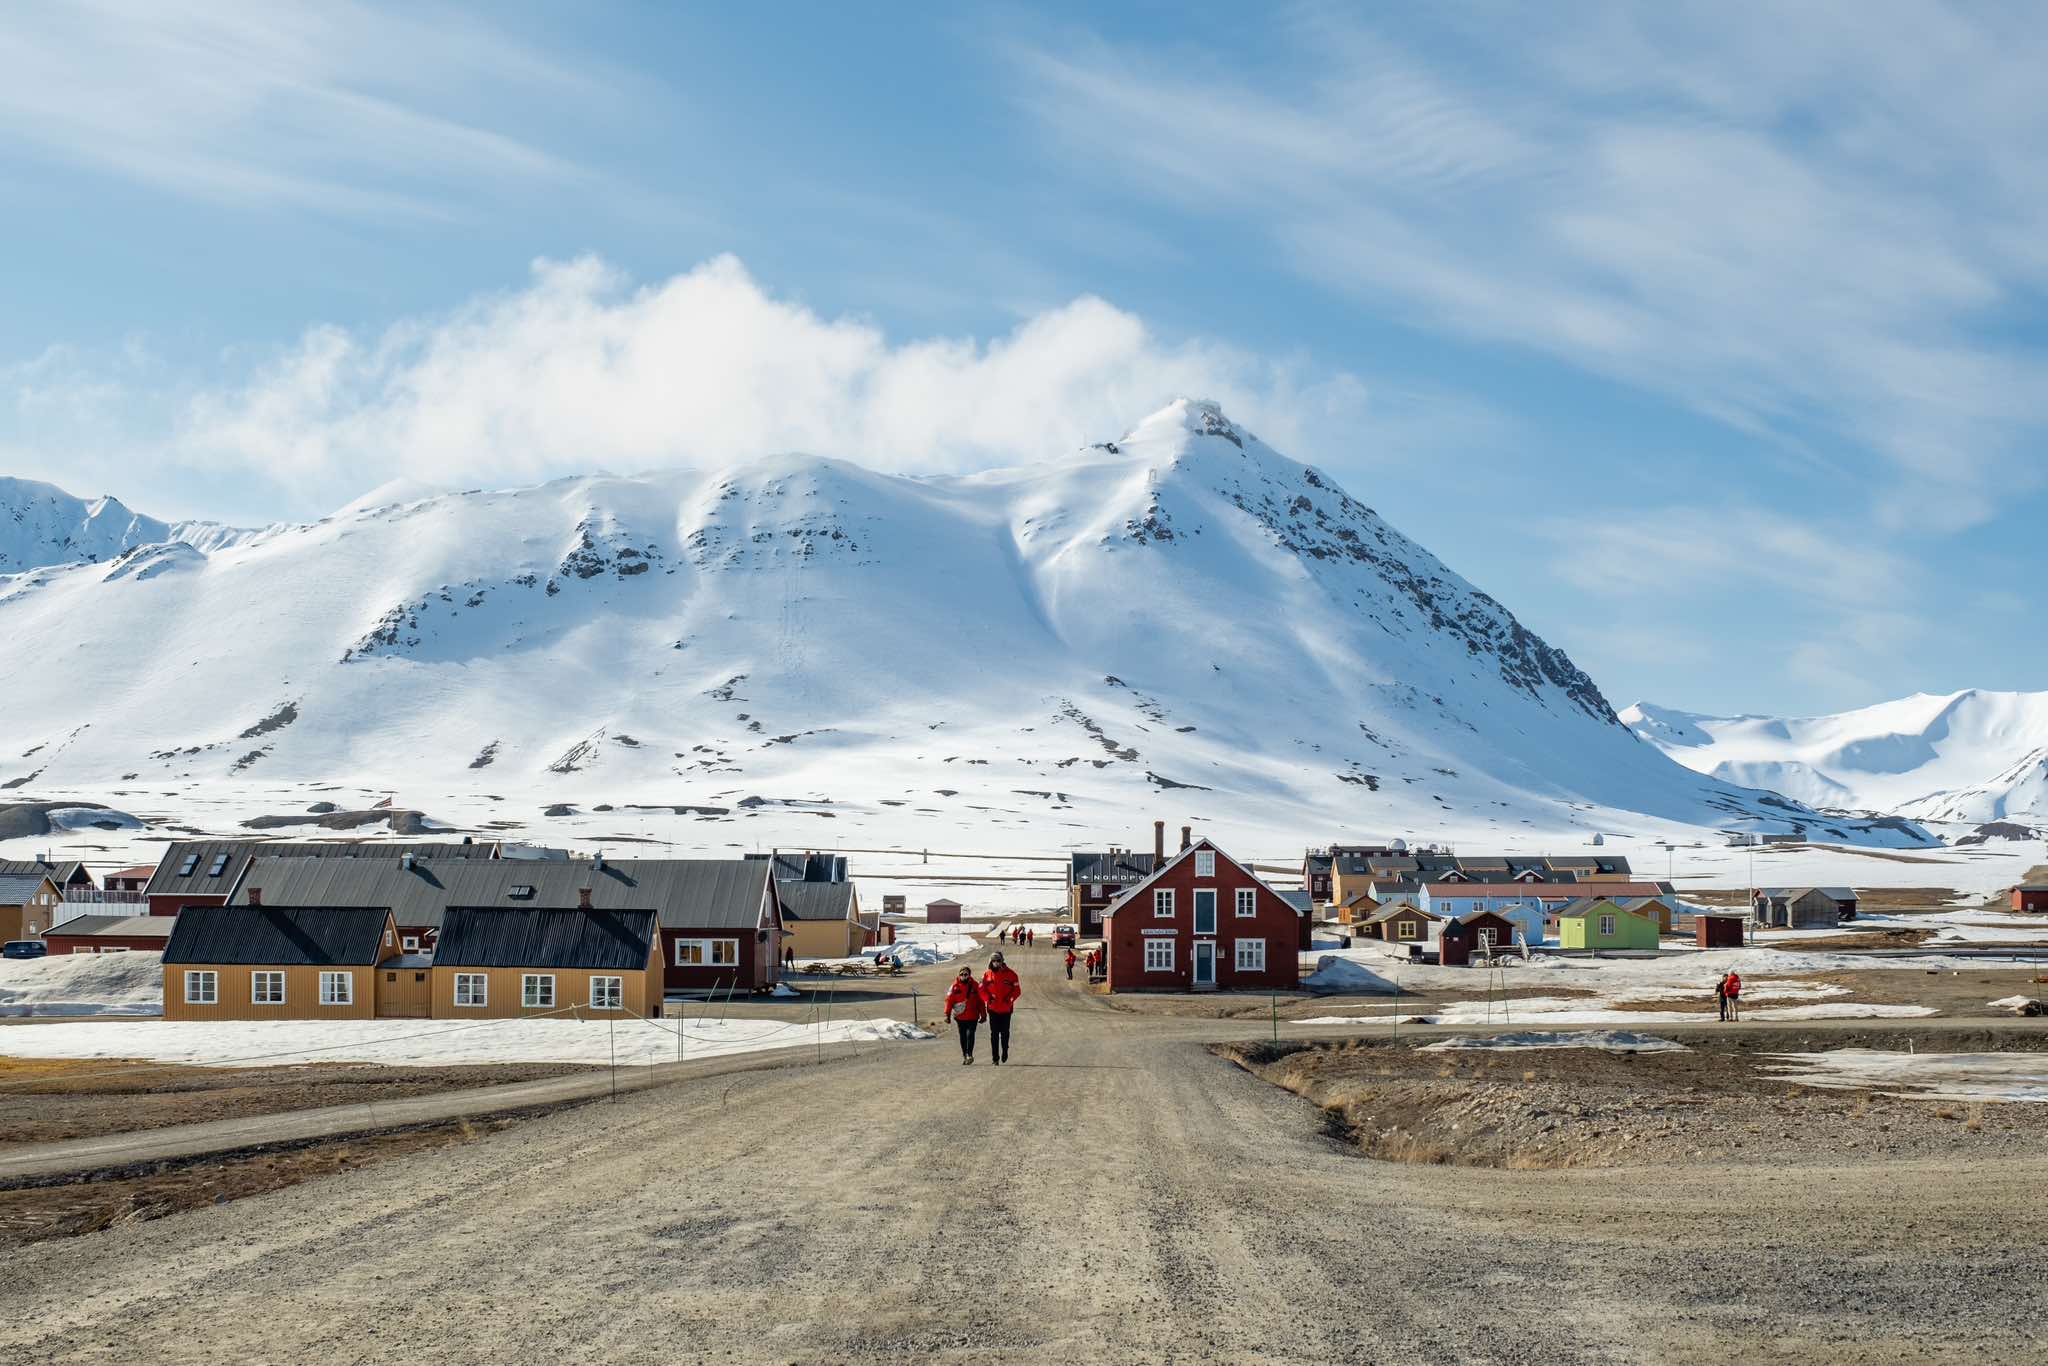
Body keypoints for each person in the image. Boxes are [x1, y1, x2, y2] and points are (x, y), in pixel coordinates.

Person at [981, 951, 1022, 1065]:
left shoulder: (1011, 974)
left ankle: (1005, 1050)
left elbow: (1017, 991)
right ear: (990, 961)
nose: (996, 963)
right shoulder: (987, 975)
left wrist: (1009, 1000)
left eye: (998, 960)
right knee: (994, 1034)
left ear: (1002, 961)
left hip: (1006, 1009)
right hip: (992, 1009)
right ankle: (995, 1058)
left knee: (1004, 1033)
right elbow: (981, 989)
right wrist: (988, 999)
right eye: (994, 960)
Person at [943, 966, 986, 1065]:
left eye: (965, 974)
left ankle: (969, 1054)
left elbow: (980, 1001)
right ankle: (965, 1055)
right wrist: (947, 1015)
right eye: (961, 974)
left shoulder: (975, 985)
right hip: (960, 1017)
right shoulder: (954, 987)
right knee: (963, 1036)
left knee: (970, 1035)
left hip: (973, 1016)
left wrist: (983, 1014)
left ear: (969, 975)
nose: (963, 976)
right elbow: (949, 1001)